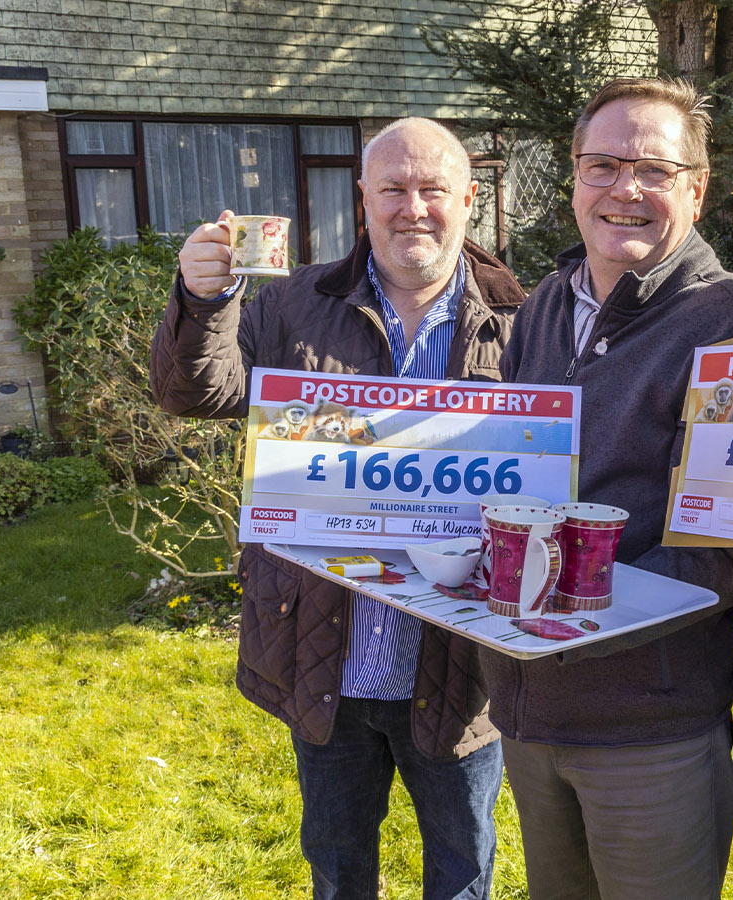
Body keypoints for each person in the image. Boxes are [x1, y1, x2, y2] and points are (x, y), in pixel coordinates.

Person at [150, 118, 526, 900]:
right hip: (327, 654)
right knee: (338, 871)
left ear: (469, 198)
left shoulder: (526, 318)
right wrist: (202, 298)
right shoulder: (295, 303)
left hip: (458, 666)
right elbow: (197, 392)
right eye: (392, 189)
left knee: (462, 874)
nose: (411, 208)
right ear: (364, 200)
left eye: (431, 190)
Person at [477, 78, 733, 900]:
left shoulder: (730, 326)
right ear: (575, 179)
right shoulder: (544, 305)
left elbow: (727, 550)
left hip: (650, 724)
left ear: (696, 189)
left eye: (652, 168)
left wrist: (572, 620)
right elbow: (510, 478)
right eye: (602, 165)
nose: (625, 189)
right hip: (531, 711)